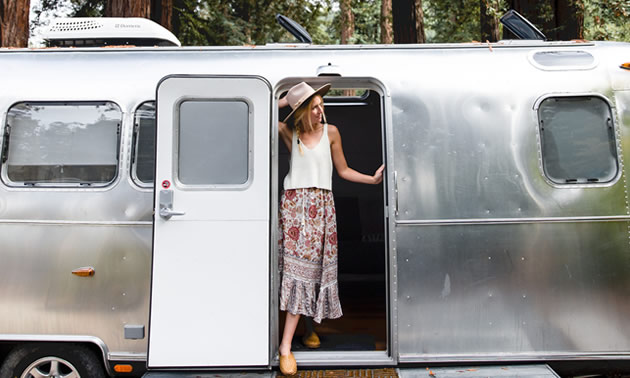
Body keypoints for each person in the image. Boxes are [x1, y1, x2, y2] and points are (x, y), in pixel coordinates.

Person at [277, 82, 384, 375]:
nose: (320, 111)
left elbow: (343, 170)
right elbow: (261, 113)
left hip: (322, 207)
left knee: (312, 270)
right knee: (295, 272)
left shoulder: (331, 132)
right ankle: (285, 348)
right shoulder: (290, 132)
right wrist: (287, 99)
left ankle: (308, 328)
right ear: (301, 111)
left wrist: (372, 180)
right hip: (294, 207)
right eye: (313, 107)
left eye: (321, 105)